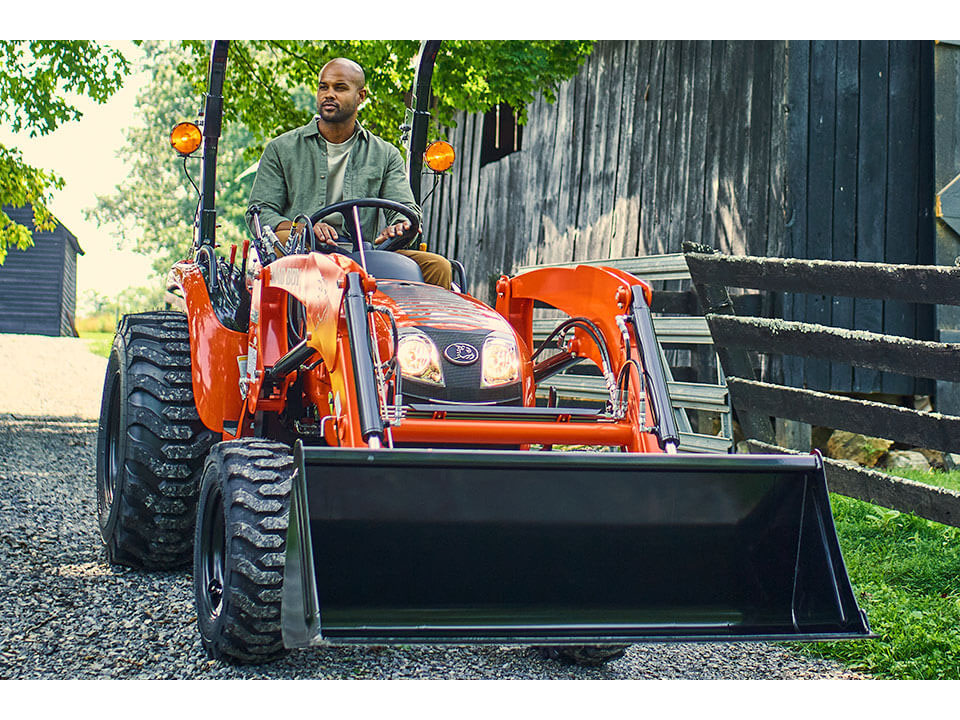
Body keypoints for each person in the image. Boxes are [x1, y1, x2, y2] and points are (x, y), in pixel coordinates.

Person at [244, 57, 452, 288]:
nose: (329, 94)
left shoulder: (385, 154)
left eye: (340, 88)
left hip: (362, 255)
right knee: (284, 241)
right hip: (304, 251)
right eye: (324, 87)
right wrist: (301, 228)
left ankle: (412, 325)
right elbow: (260, 212)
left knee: (438, 267)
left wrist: (400, 226)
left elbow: (405, 209)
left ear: (361, 96)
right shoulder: (282, 149)